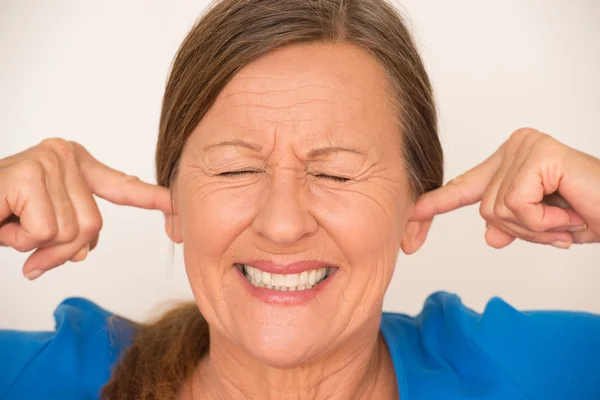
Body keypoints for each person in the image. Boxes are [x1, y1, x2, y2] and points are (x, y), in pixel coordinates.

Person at [1, 0, 599, 399]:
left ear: (417, 215)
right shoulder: (45, 378)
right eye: (236, 169)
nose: (283, 224)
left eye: (336, 175)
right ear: (175, 203)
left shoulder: (541, 370)